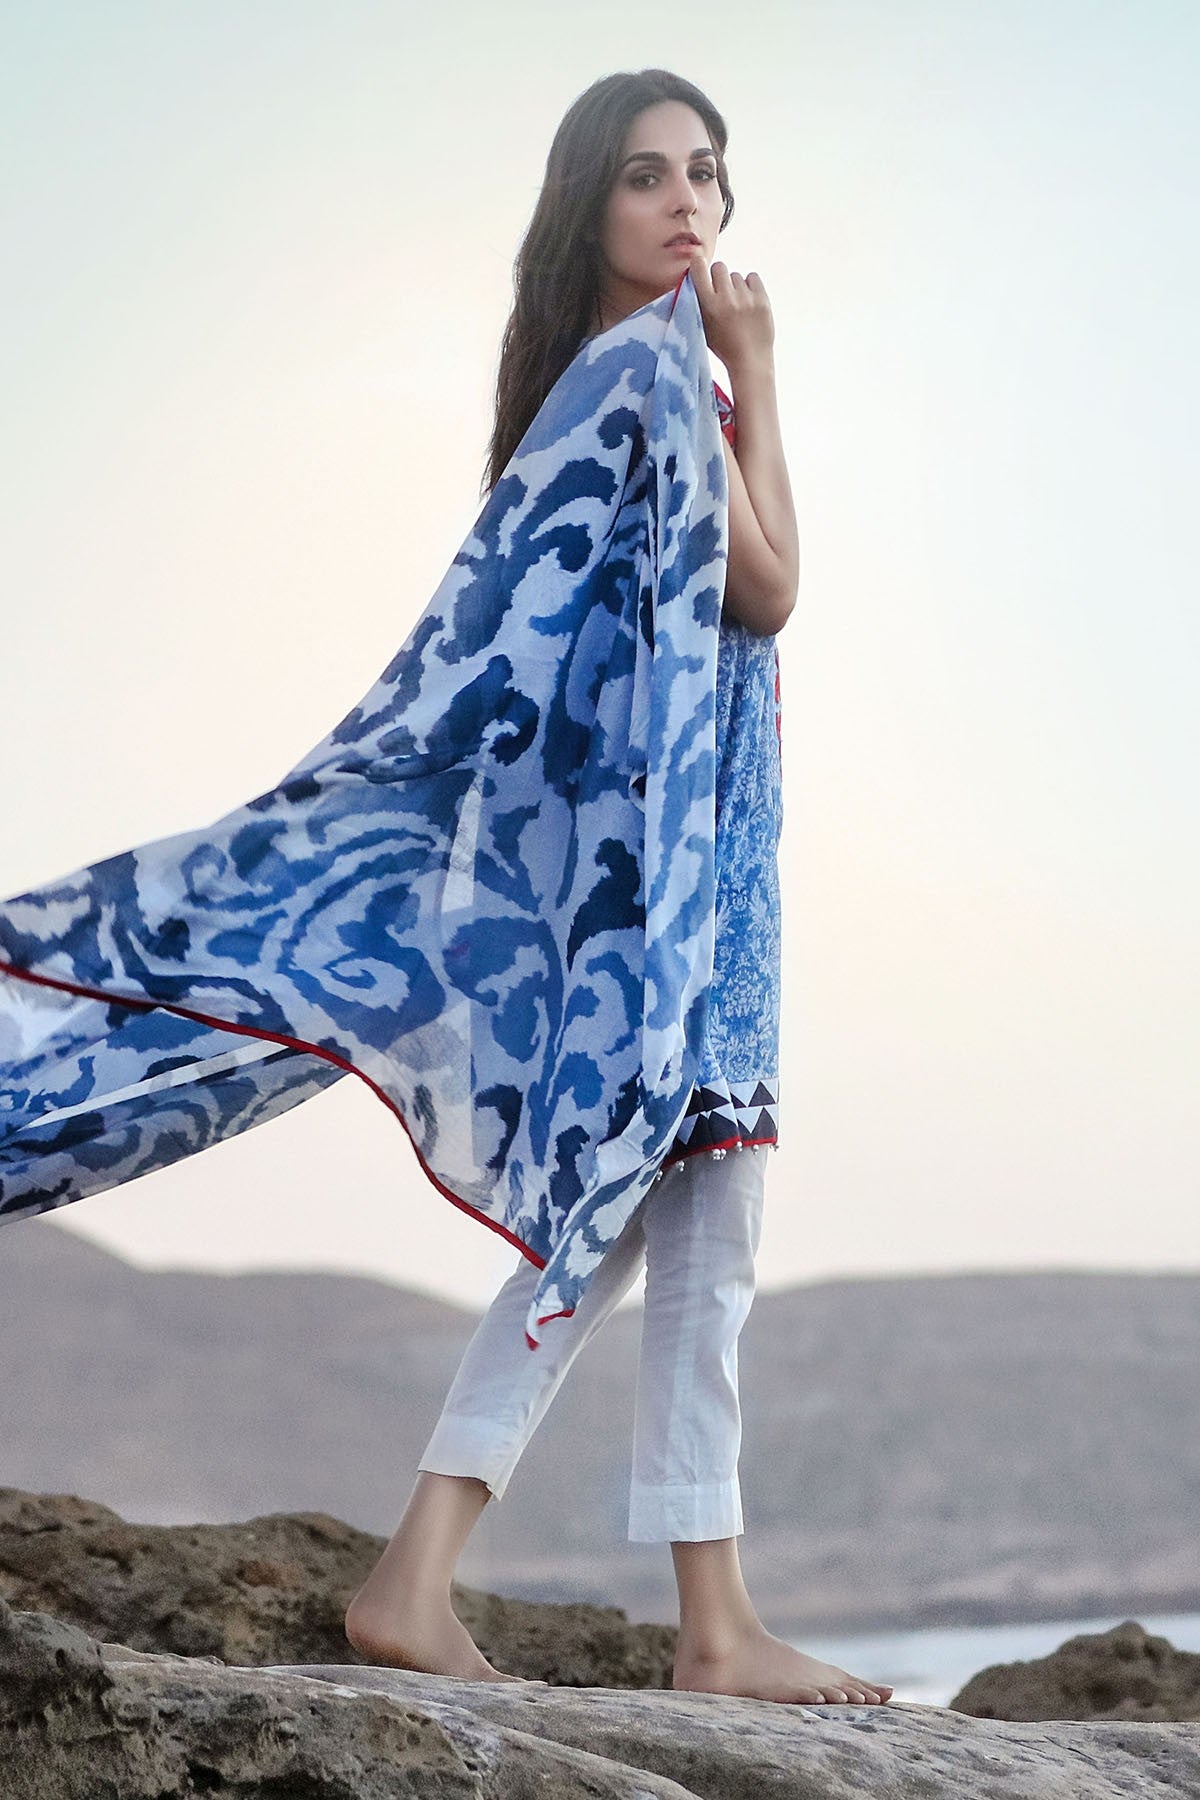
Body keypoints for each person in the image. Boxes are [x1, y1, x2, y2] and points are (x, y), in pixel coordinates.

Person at [343, 69, 894, 1710]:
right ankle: (675, 1625)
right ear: (589, 205)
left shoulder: (601, 379)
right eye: (649, 177)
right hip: (670, 877)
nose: (687, 205)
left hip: (674, 852)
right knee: (690, 1214)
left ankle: (469, 1580)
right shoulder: (654, 374)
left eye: (705, 174)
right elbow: (769, 588)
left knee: (650, 1208)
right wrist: (761, 369)